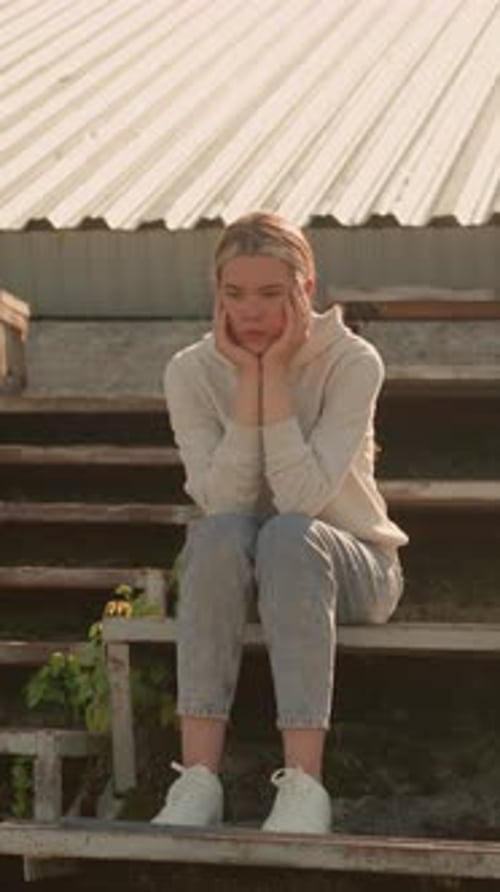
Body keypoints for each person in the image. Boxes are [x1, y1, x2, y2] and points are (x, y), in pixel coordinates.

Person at [152, 212, 408, 834]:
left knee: (289, 535)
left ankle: (303, 788)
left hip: (354, 567)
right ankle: (197, 781)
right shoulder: (190, 371)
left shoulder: (352, 361)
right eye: (234, 294)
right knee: (212, 534)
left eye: (271, 293)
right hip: (245, 563)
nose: (252, 312)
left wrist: (277, 378)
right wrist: (249, 379)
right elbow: (224, 504)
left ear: (305, 289)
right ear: (217, 295)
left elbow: (302, 499)